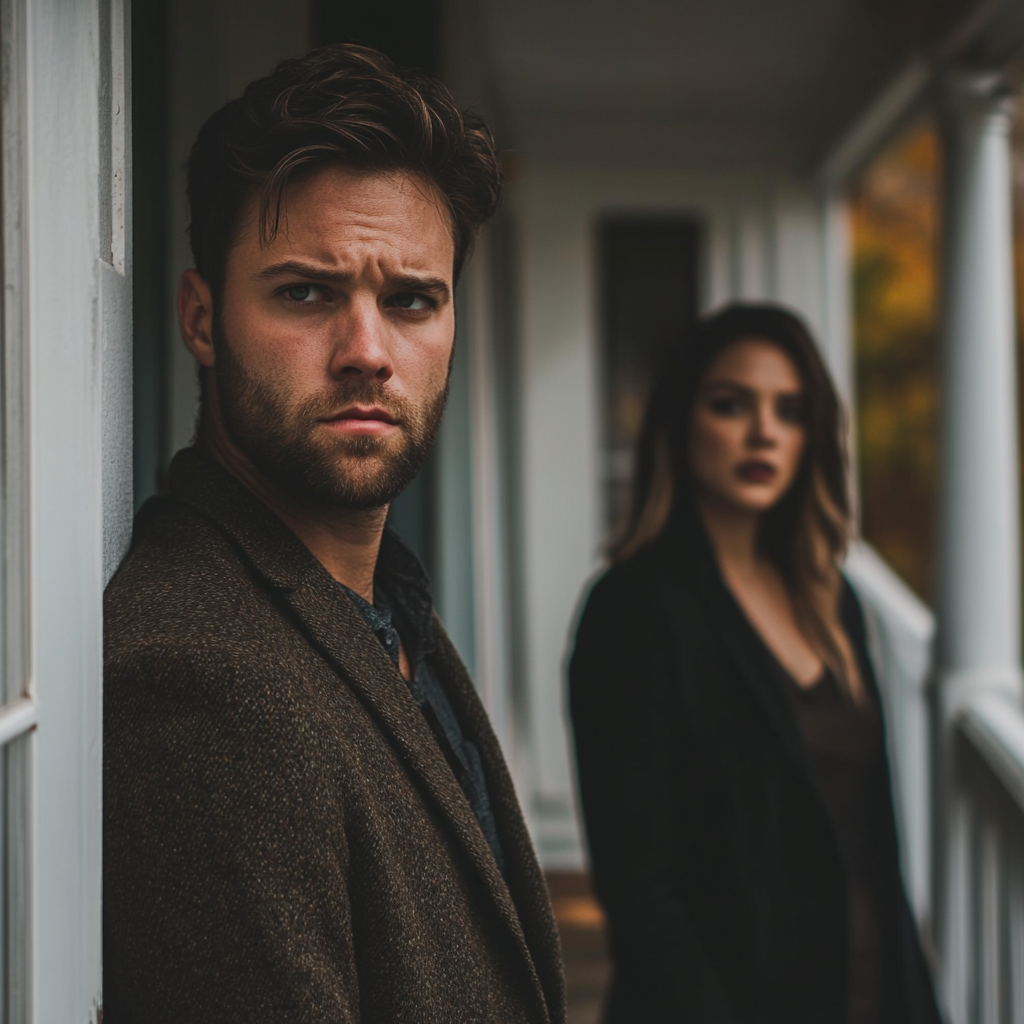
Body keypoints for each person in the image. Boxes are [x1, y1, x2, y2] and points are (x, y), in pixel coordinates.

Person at [104, 45, 564, 1024]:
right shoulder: (201, 681)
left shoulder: (382, 606)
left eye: (410, 301)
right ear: (200, 318)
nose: (367, 353)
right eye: (306, 292)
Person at [569, 304, 943, 1024]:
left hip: (868, 992)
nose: (764, 432)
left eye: (790, 411)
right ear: (682, 422)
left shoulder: (831, 599)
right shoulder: (633, 610)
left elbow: (872, 846)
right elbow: (640, 891)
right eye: (731, 405)